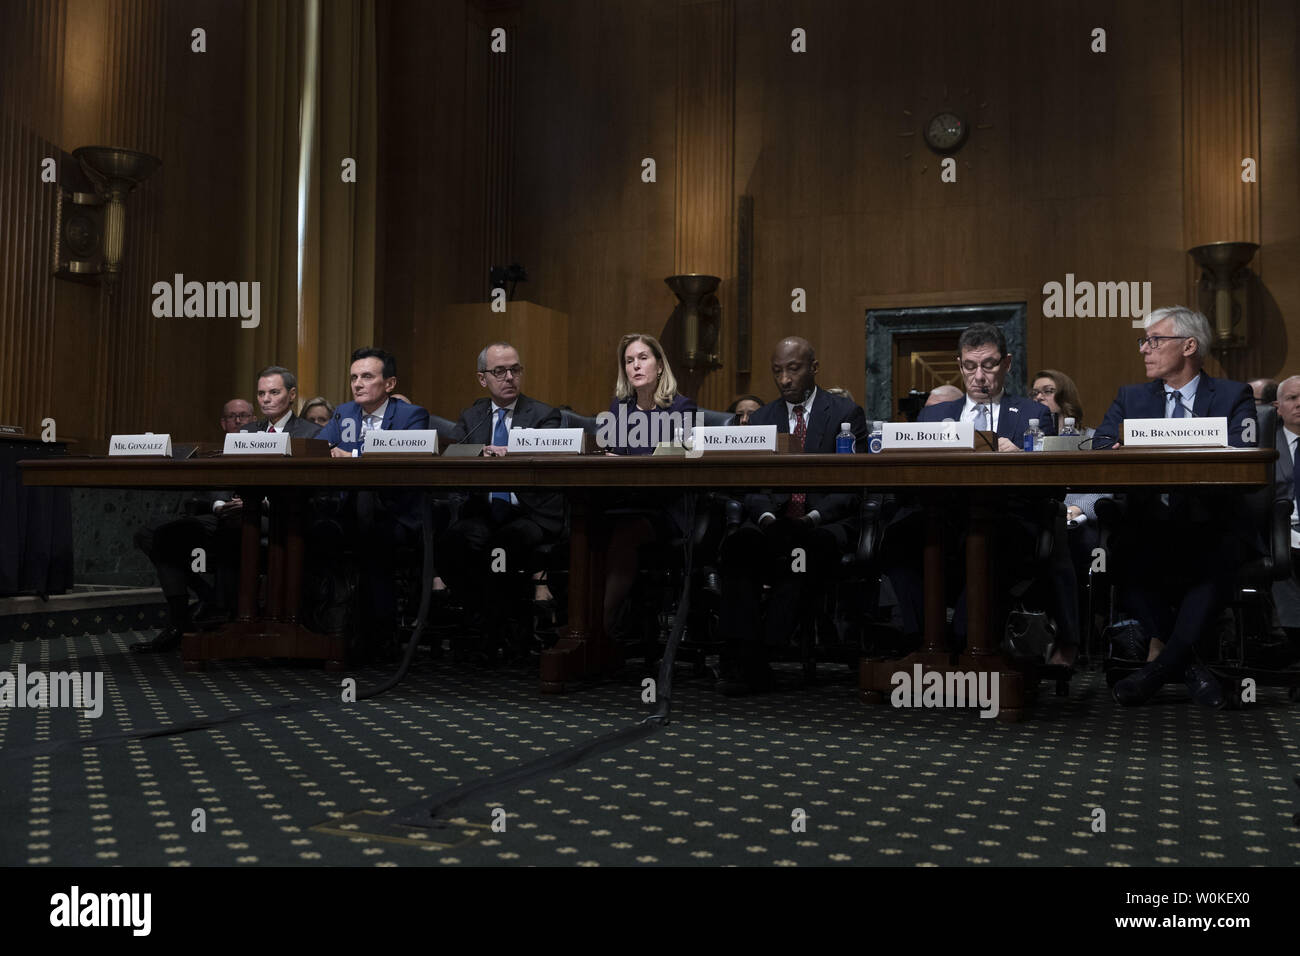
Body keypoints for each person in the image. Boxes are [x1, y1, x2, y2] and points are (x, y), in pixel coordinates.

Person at [1094, 306, 1258, 708]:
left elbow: (1244, 451)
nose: (1144, 350)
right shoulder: (1131, 397)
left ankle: (1155, 671)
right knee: (1123, 561)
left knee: (1215, 559)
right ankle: (1189, 669)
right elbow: (1099, 446)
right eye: (1143, 341)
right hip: (1149, 522)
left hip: (1210, 521)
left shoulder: (1234, 395)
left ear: (1189, 346)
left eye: (1154, 340)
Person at [894, 324, 1075, 667]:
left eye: (989, 365)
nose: (979, 376)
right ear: (959, 364)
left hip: (1004, 523)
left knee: (989, 546)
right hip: (942, 519)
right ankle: (923, 641)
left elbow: (1052, 487)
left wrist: (1021, 456)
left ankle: (966, 642)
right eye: (969, 366)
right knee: (899, 535)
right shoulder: (934, 415)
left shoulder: (1033, 415)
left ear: (1006, 363)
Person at [715, 336, 869, 695]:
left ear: (813, 368)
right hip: (772, 523)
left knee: (800, 556)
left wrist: (811, 518)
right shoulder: (763, 418)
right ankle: (748, 656)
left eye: (793, 369)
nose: (784, 379)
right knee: (738, 547)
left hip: (821, 524)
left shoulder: (845, 414)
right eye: (777, 371)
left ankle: (760, 654)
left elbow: (851, 486)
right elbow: (751, 485)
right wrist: (767, 518)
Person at [440, 343, 565, 654]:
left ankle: (500, 627)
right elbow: (453, 452)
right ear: (483, 379)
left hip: (529, 511)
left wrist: (514, 453)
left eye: (515, 369)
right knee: (454, 541)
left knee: (504, 546)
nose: (509, 377)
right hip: (485, 511)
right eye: (499, 371)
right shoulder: (472, 416)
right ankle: (483, 615)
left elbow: (549, 461)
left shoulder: (543, 414)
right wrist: (477, 453)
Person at [132, 398, 250, 652]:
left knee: (166, 537)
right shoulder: (211, 453)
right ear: (223, 423)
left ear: (255, 421)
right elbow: (201, 494)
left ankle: (194, 614)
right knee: (149, 534)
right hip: (212, 517)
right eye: (232, 416)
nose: (238, 421)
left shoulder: (263, 449)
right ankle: (195, 606)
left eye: (244, 416)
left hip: (250, 520)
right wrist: (218, 506)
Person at [600, 333, 699, 634]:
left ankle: (600, 625)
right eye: (629, 361)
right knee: (587, 527)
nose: (635, 366)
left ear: (659, 366)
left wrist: (622, 460)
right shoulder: (620, 408)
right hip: (628, 501)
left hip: (668, 508)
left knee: (625, 533)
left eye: (643, 358)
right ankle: (596, 621)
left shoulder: (682, 408)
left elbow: (673, 466)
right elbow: (611, 455)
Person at [316, 348, 429, 454]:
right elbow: (317, 447)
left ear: (389, 384)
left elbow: (409, 460)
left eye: (367, 376)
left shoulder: (411, 415)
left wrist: (351, 456)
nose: (357, 384)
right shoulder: (344, 412)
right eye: (354, 378)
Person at [241, 366, 321, 438]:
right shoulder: (248, 432)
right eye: (261, 393)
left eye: (274, 392)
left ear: (292, 395)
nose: (265, 399)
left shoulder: (312, 433)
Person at [1030, 369, 1093, 438]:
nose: (1038, 397)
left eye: (1047, 391)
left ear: (1065, 396)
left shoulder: (1092, 437)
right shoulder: (1028, 436)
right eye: (1035, 393)